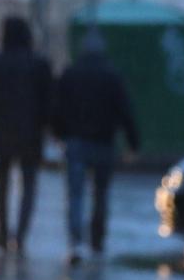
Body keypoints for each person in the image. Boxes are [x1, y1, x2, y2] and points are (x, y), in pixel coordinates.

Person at [53, 30, 140, 264]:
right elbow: (124, 111)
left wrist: (59, 134)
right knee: (101, 194)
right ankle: (97, 240)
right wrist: (133, 144)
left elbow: (57, 107)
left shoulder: (70, 74)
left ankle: (76, 242)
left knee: (76, 194)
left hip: (76, 141)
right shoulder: (112, 76)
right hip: (104, 142)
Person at [0, 16, 53, 254]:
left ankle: (3, 231)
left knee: (1, 184)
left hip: (2, 133)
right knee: (28, 185)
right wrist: (53, 130)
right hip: (31, 134)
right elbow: (49, 103)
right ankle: (21, 234)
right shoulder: (40, 65)